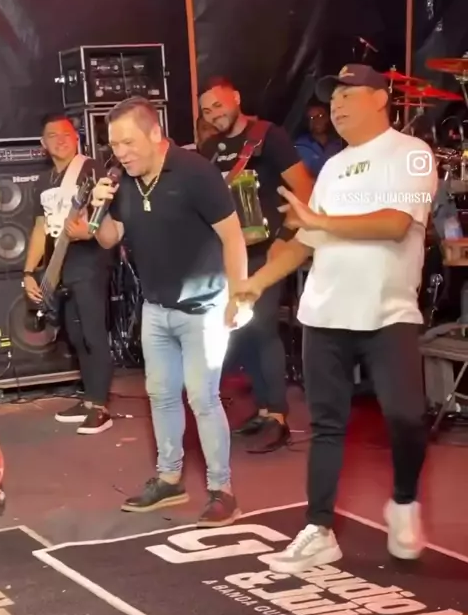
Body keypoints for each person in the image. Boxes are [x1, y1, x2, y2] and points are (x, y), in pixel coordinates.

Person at [233, 64, 438, 573]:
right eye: (333, 97)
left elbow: (395, 224)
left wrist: (320, 221)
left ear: (380, 99)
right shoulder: (332, 168)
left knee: (405, 417)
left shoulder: (411, 154)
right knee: (327, 424)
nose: (337, 105)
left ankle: (404, 501)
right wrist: (257, 282)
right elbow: (306, 239)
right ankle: (319, 528)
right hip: (325, 313)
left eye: (349, 94)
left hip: (388, 314)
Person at [79, 96, 248, 525]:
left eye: (128, 143)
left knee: (203, 398)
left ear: (155, 134)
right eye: (114, 145)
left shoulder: (195, 173)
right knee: (161, 395)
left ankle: (222, 490)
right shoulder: (124, 182)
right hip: (156, 307)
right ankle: (170, 479)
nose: (120, 153)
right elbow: (109, 238)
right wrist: (98, 209)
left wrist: (240, 295)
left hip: (204, 308)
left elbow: (233, 236)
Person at [199, 76, 314, 453]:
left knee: (262, 326)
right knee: (242, 329)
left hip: (269, 249)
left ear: (236, 98)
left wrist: (286, 238)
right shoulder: (210, 149)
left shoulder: (269, 136)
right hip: (230, 253)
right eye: (206, 110)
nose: (214, 114)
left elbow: (305, 190)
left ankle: (278, 416)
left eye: (218, 105)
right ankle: (264, 409)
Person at [23, 114, 113, 434]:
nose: (60, 140)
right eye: (52, 136)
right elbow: (40, 228)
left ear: (77, 137)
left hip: (89, 261)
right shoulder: (43, 181)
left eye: (66, 134)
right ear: (43, 144)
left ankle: (100, 406)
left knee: (92, 332)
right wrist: (29, 272)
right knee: (75, 334)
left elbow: (109, 216)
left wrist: (88, 230)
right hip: (60, 263)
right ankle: (89, 399)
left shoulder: (91, 169)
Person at [295, 101, 343, 178]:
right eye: (312, 118)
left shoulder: (339, 143)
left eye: (320, 116)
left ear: (327, 118)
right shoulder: (300, 147)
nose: (316, 121)